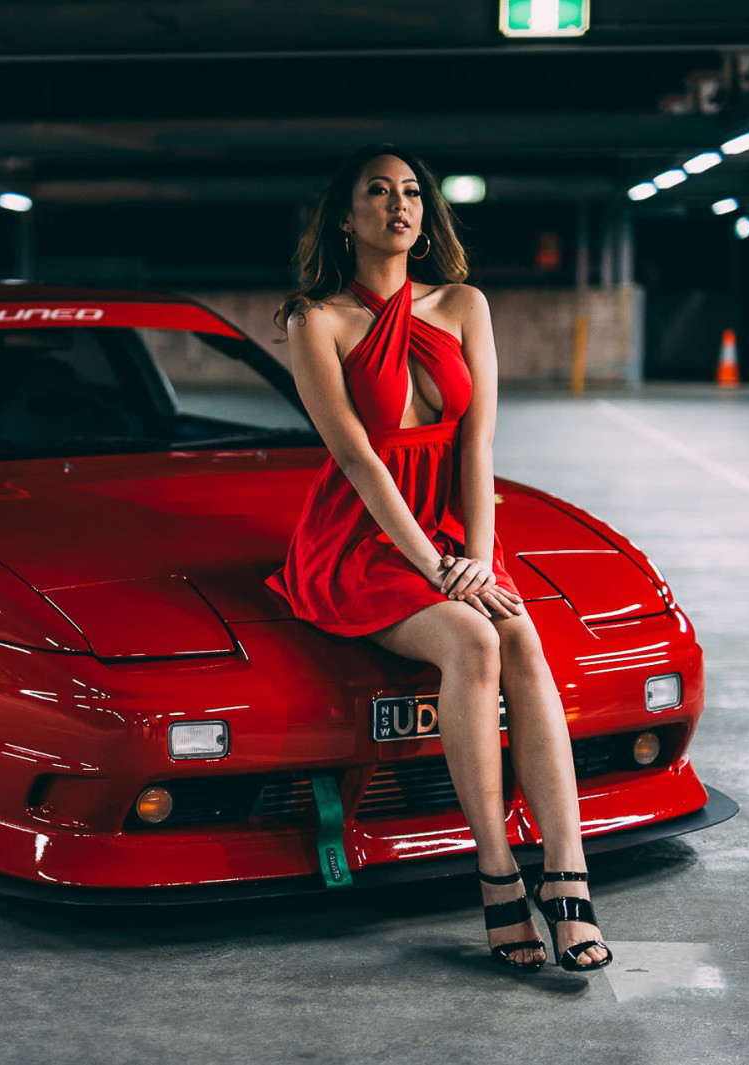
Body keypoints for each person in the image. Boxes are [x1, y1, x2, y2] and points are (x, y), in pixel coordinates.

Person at [265, 144, 612, 974]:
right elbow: (358, 459)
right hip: (359, 538)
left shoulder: (464, 304)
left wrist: (479, 560)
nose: (399, 205)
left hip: (454, 534)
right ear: (344, 218)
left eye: (412, 191)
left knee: (521, 635)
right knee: (474, 640)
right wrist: (435, 569)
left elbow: (478, 442)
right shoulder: (315, 318)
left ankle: (567, 879)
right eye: (377, 192)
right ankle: (495, 872)